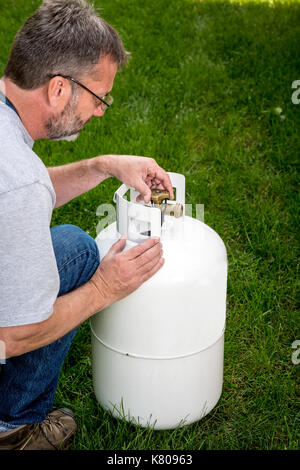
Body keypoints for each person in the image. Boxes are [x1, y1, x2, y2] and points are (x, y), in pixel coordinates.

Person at [0, 0, 173, 450]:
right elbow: (12, 337)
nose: (99, 111)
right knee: (81, 263)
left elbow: (20, 198)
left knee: (74, 246)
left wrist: (102, 165)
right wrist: (104, 290)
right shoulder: (19, 180)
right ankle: (11, 430)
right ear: (59, 89)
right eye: (99, 97)